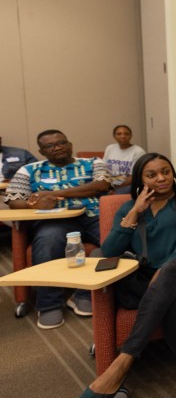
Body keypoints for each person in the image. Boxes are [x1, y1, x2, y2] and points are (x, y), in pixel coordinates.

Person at [75, 153, 176, 398]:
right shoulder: (129, 208)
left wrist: (165, 271)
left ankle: (123, 361)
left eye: (166, 171)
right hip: (161, 278)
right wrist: (135, 212)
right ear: (140, 180)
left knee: (172, 272)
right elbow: (108, 251)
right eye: (152, 174)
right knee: (175, 302)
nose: (161, 178)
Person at [3, 129, 111, 329]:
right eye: (50, 146)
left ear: (70, 145)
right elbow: (13, 200)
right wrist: (33, 205)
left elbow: (101, 185)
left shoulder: (94, 162)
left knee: (116, 240)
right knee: (48, 242)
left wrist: (57, 193)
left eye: (62, 143)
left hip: (94, 215)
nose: (57, 147)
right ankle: (48, 304)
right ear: (41, 151)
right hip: (55, 220)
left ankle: (83, 294)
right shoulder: (29, 170)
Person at [103, 124, 146, 194]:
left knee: (116, 194)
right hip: (109, 183)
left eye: (126, 134)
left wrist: (115, 188)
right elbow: (103, 169)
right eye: (119, 134)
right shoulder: (110, 148)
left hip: (127, 184)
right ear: (114, 136)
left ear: (131, 136)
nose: (123, 136)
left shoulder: (138, 151)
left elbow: (134, 176)